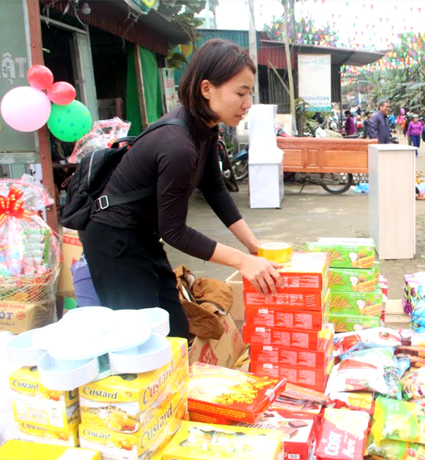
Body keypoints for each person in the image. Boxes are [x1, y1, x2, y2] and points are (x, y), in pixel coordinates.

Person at [80, 39, 281, 339]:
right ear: (206, 89)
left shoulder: (206, 127)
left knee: (175, 331)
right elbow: (174, 231)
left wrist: (253, 246)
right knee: (139, 341)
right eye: (240, 92)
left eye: (249, 92)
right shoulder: (179, 145)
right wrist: (242, 261)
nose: (248, 103)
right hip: (113, 239)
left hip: (143, 235)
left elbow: (214, 187)